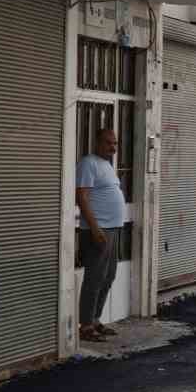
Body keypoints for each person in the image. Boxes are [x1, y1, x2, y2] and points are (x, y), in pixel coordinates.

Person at [75, 128, 126, 342]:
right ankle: (85, 325)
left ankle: (95, 319)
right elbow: (82, 197)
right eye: (108, 143)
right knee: (94, 277)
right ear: (97, 142)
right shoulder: (89, 163)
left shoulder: (107, 165)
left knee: (108, 276)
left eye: (115, 144)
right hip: (98, 231)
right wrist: (94, 228)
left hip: (112, 229)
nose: (113, 148)